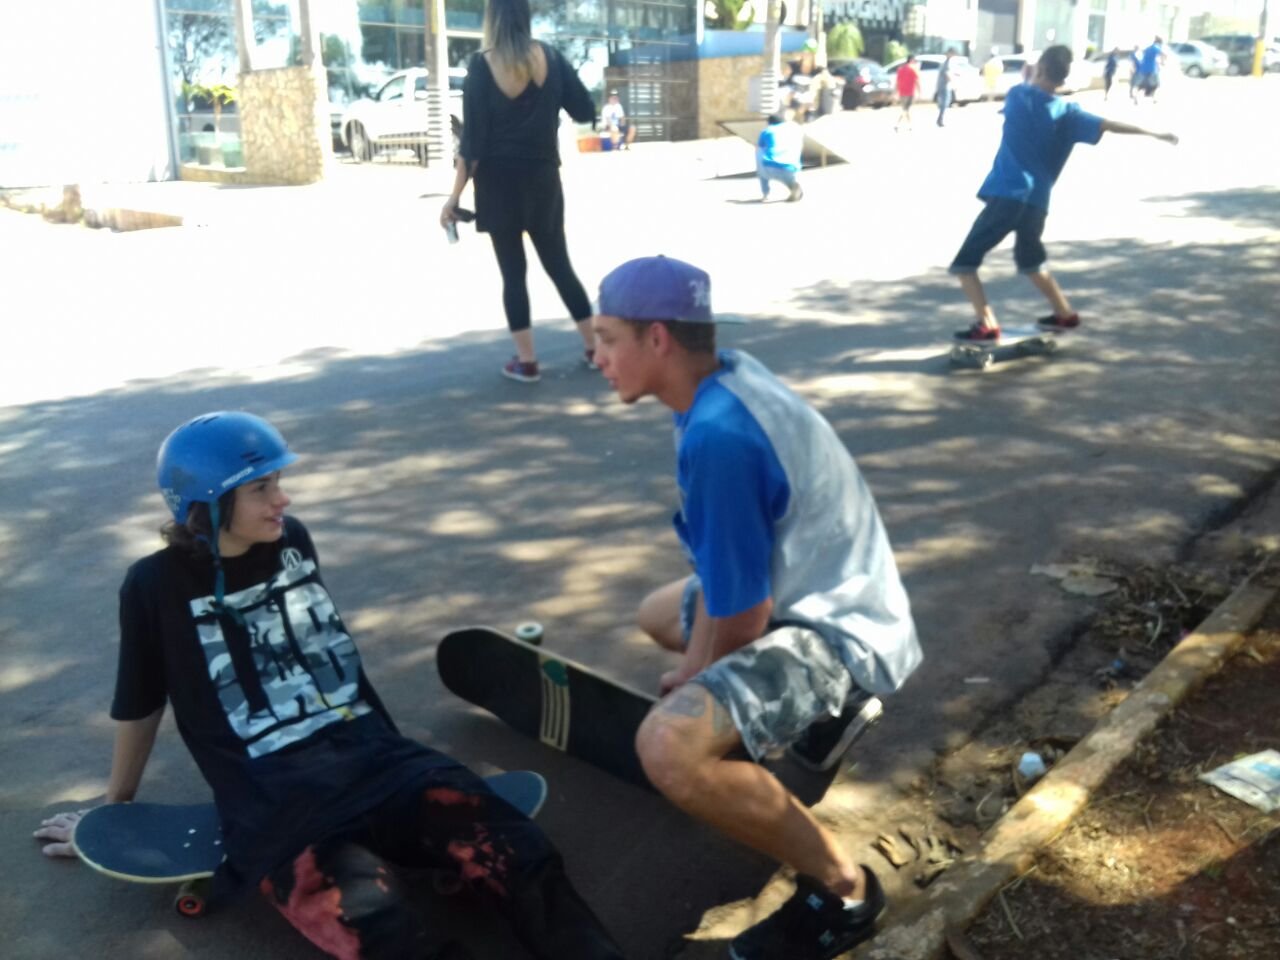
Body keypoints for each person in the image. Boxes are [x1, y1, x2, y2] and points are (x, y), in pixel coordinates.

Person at [33, 412, 624, 960]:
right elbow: (140, 700)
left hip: (384, 765)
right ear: (205, 505)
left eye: (278, 481)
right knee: (383, 931)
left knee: (526, 857)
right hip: (281, 810)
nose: (282, 499)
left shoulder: (291, 539)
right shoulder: (153, 585)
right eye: (260, 488)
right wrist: (117, 813)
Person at [589, 255, 923, 960]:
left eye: (607, 339)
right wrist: (698, 672)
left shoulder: (720, 437)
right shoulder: (723, 380)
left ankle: (845, 893)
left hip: (840, 631)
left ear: (657, 339)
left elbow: (742, 616)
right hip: (826, 592)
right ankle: (810, 722)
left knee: (667, 750)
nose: (597, 358)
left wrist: (697, 684)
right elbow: (722, 576)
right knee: (658, 613)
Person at [949, 46, 1179, 342]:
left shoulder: (1019, 95)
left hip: (1007, 194)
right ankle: (1064, 314)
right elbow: (1109, 125)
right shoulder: (1070, 113)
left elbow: (1028, 90)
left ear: (1042, 68)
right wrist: (1156, 133)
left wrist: (1033, 73)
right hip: (1037, 203)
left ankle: (987, 323)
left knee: (965, 263)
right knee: (1031, 262)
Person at [441, 0, 598, 383]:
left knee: (513, 274)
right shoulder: (551, 58)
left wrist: (454, 198)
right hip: (542, 178)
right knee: (559, 265)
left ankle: (527, 363)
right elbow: (584, 109)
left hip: (497, 184)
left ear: (492, 18)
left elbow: (472, 145)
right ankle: (596, 349)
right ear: (526, 16)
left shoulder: (481, 67)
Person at [755, 110, 803, 202]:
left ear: (769, 123)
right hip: (791, 167)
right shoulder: (793, 129)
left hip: (770, 167)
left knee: (759, 150)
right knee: (793, 148)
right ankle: (793, 185)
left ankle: (766, 193)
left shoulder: (767, 130)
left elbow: (759, 148)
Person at [894, 54, 920, 131]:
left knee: (905, 109)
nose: (915, 62)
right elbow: (917, 81)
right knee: (906, 109)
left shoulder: (900, 69)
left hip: (902, 92)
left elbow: (897, 82)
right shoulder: (913, 69)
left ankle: (908, 125)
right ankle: (898, 124)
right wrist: (919, 91)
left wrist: (895, 92)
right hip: (910, 92)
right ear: (911, 60)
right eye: (914, 60)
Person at [1136, 36, 1166, 103]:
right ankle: (1154, 98)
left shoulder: (1148, 48)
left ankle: (1136, 97)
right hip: (1151, 69)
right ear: (1159, 43)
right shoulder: (1156, 47)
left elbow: (1145, 57)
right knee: (1156, 84)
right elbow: (1164, 54)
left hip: (1143, 69)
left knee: (1142, 85)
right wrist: (1163, 62)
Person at [936, 49, 957, 127]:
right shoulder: (946, 63)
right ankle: (940, 120)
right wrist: (953, 83)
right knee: (945, 103)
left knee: (945, 103)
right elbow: (946, 74)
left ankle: (940, 119)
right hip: (944, 86)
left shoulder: (947, 62)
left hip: (943, 85)